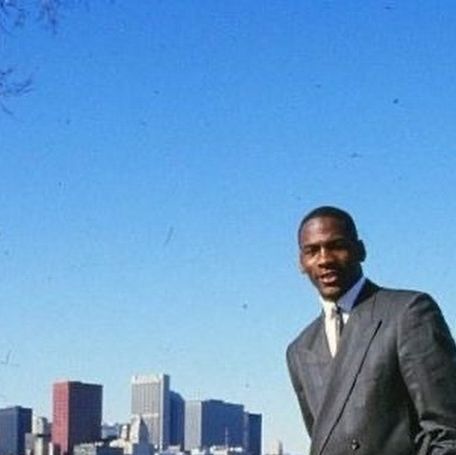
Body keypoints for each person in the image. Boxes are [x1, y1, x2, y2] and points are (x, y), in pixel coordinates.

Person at [286, 206, 456, 454]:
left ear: (360, 250)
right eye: (312, 251)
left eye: (336, 246)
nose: (324, 260)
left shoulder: (408, 313)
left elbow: (448, 432)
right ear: (302, 263)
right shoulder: (299, 350)